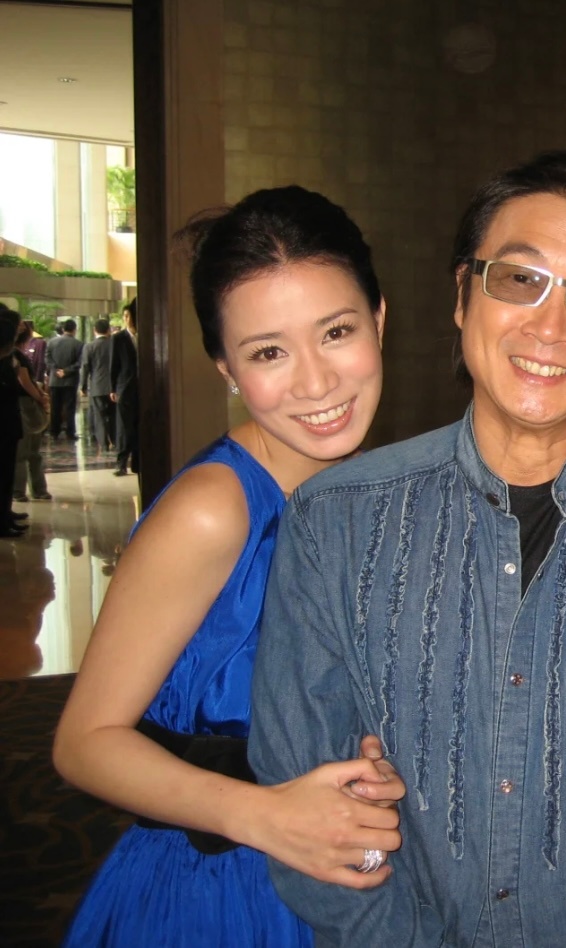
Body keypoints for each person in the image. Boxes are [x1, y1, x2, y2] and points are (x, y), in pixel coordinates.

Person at [248, 151, 566, 946]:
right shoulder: (335, 524)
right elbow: (306, 806)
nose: (550, 328)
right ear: (462, 295)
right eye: (520, 280)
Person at [53, 186, 405, 946]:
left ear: (379, 320)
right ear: (226, 368)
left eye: (337, 331)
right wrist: (264, 814)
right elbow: (84, 742)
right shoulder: (216, 508)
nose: (315, 383)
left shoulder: (370, 489)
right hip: (222, 888)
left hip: (342, 880)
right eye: (269, 352)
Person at [11, 318, 51, 502]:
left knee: (30, 450)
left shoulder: (17, 354)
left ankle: (35, 489)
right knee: (25, 451)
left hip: (25, 404)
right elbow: (24, 380)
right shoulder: (16, 355)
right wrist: (39, 397)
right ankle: (22, 490)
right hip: (25, 404)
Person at [1, 305, 31, 536]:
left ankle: (6, 514)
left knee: (7, 474)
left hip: (9, 425)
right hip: (4, 425)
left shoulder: (8, 359)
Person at [109, 300, 139, 476]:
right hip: (125, 388)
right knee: (124, 427)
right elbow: (114, 364)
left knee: (139, 426)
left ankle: (138, 463)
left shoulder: (146, 334)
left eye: (130, 315)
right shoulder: (118, 338)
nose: (128, 319)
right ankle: (121, 463)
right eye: (125, 316)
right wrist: (113, 388)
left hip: (142, 387)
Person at [81, 317, 115, 455]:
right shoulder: (114, 344)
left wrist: (83, 386)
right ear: (108, 330)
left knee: (99, 416)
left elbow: (85, 367)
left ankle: (104, 444)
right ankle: (115, 441)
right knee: (113, 415)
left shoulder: (89, 346)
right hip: (114, 386)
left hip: (97, 386)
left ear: (94, 330)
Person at [46, 317, 84, 440]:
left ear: (63, 329)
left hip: (54, 380)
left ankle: (54, 431)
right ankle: (70, 432)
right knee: (70, 407)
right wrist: (66, 371)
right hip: (70, 381)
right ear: (74, 330)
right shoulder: (79, 344)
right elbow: (80, 362)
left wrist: (56, 370)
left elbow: (47, 359)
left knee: (55, 407)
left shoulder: (51, 342)